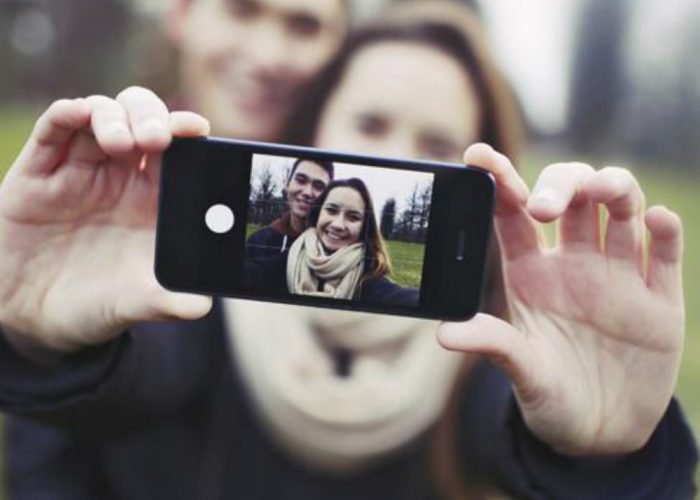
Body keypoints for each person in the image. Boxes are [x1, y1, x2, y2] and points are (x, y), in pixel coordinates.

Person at [0, 2, 696, 500]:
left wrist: (604, 460)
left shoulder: (493, 340)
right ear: (313, 126)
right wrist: (43, 343)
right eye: (369, 121)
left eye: (434, 146)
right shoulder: (206, 280)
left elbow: (514, 423)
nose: (392, 155)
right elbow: (129, 383)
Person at [246, 177, 418, 305]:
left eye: (353, 217)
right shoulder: (286, 261)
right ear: (317, 214)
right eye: (331, 210)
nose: (338, 224)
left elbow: (400, 297)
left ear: (364, 228)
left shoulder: (368, 279)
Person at [246, 158, 334, 258]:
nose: (307, 192)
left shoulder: (335, 246)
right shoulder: (258, 242)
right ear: (288, 184)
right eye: (301, 180)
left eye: (319, 186)